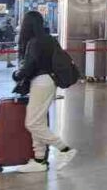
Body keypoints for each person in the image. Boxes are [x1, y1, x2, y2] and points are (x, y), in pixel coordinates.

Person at [11, 11, 77, 173]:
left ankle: (64, 149)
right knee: (39, 121)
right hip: (49, 81)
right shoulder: (50, 39)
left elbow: (30, 66)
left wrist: (17, 75)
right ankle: (39, 159)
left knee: (32, 123)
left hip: (40, 82)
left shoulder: (34, 42)